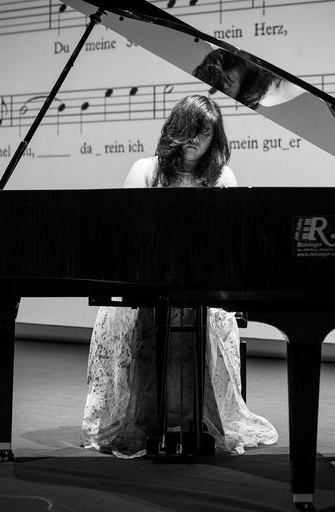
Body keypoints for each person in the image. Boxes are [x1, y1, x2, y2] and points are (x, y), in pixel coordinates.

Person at [81, 95, 278, 458]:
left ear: (214, 138)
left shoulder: (222, 176)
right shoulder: (146, 169)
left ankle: (195, 419)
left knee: (204, 317)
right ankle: (145, 420)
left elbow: (230, 240)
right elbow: (128, 232)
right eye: (190, 129)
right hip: (147, 285)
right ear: (175, 128)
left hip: (203, 288)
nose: (195, 139)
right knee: (146, 316)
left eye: (205, 133)